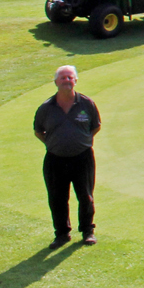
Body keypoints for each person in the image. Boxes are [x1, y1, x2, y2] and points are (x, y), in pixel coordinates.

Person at [33, 65, 101, 249]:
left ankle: (88, 231)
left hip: (82, 158)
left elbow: (95, 126)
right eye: (63, 78)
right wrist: (53, 143)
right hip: (55, 159)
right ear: (56, 82)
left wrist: (82, 140)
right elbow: (39, 131)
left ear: (76, 80)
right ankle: (62, 234)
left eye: (70, 77)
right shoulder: (46, 108)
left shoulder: (86, 104)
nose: (67, 81)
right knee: (57, 197)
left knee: (85, 196)